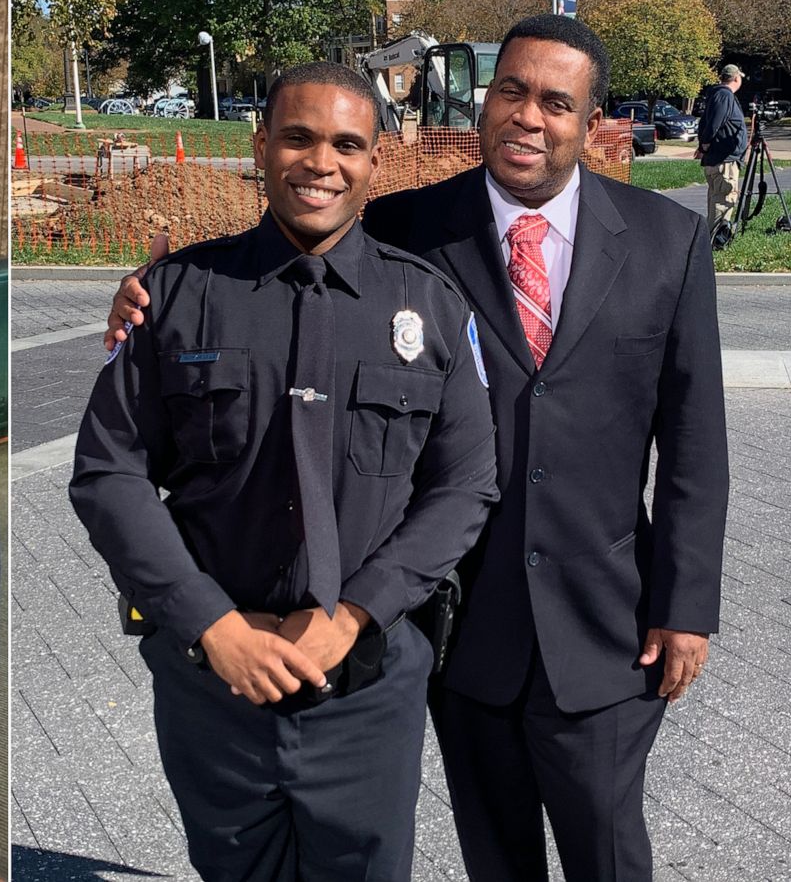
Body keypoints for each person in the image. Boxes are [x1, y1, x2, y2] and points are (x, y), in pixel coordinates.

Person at [108, 16, 728, 881]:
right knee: (494, 848)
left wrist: (688, 601)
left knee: (609, 844)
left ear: (590, 124)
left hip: (609, 620)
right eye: (510, 91)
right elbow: (299, 271)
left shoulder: (669, 240)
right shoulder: (404, 226)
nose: (526, 117)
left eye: (555, 102)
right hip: (463, 619)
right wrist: (145, 300)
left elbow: (696, 437)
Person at [69, 62, 499, 881]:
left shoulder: (431, 308)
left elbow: (465, 484)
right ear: (261, 145)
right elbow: (108, 471)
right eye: (298, 138)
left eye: (346, 144)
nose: (321, 162)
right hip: (214, 684)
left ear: (376, 161)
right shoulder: (177, 295)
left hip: (364, 686)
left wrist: (353, 616)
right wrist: (213, 624)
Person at [697, 64, 748, 235]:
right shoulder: (724, 96)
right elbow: (713, 124)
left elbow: (704, 122)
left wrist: (703, 146)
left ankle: (720, 235)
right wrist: (705, 144)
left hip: (719, 158)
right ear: (736, 78)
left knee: (718, 198)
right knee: (723, 199)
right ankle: (713, 239)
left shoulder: (716, 95)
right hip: (724, 160)